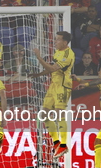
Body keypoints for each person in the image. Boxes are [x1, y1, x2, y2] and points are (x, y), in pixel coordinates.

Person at [32, 31, 74, 160]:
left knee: (59, 114)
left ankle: (63, 144)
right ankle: (56, 142)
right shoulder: (58, 52)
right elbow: (51, 69)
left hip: (62, 86)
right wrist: (38, 75)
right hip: (53, 85)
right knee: (43, 115)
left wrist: (39, 57)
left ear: (65, 42)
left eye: (58, 39)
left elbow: (52, 69)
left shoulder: (68, 54)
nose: (55, 41)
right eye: (55, 39)